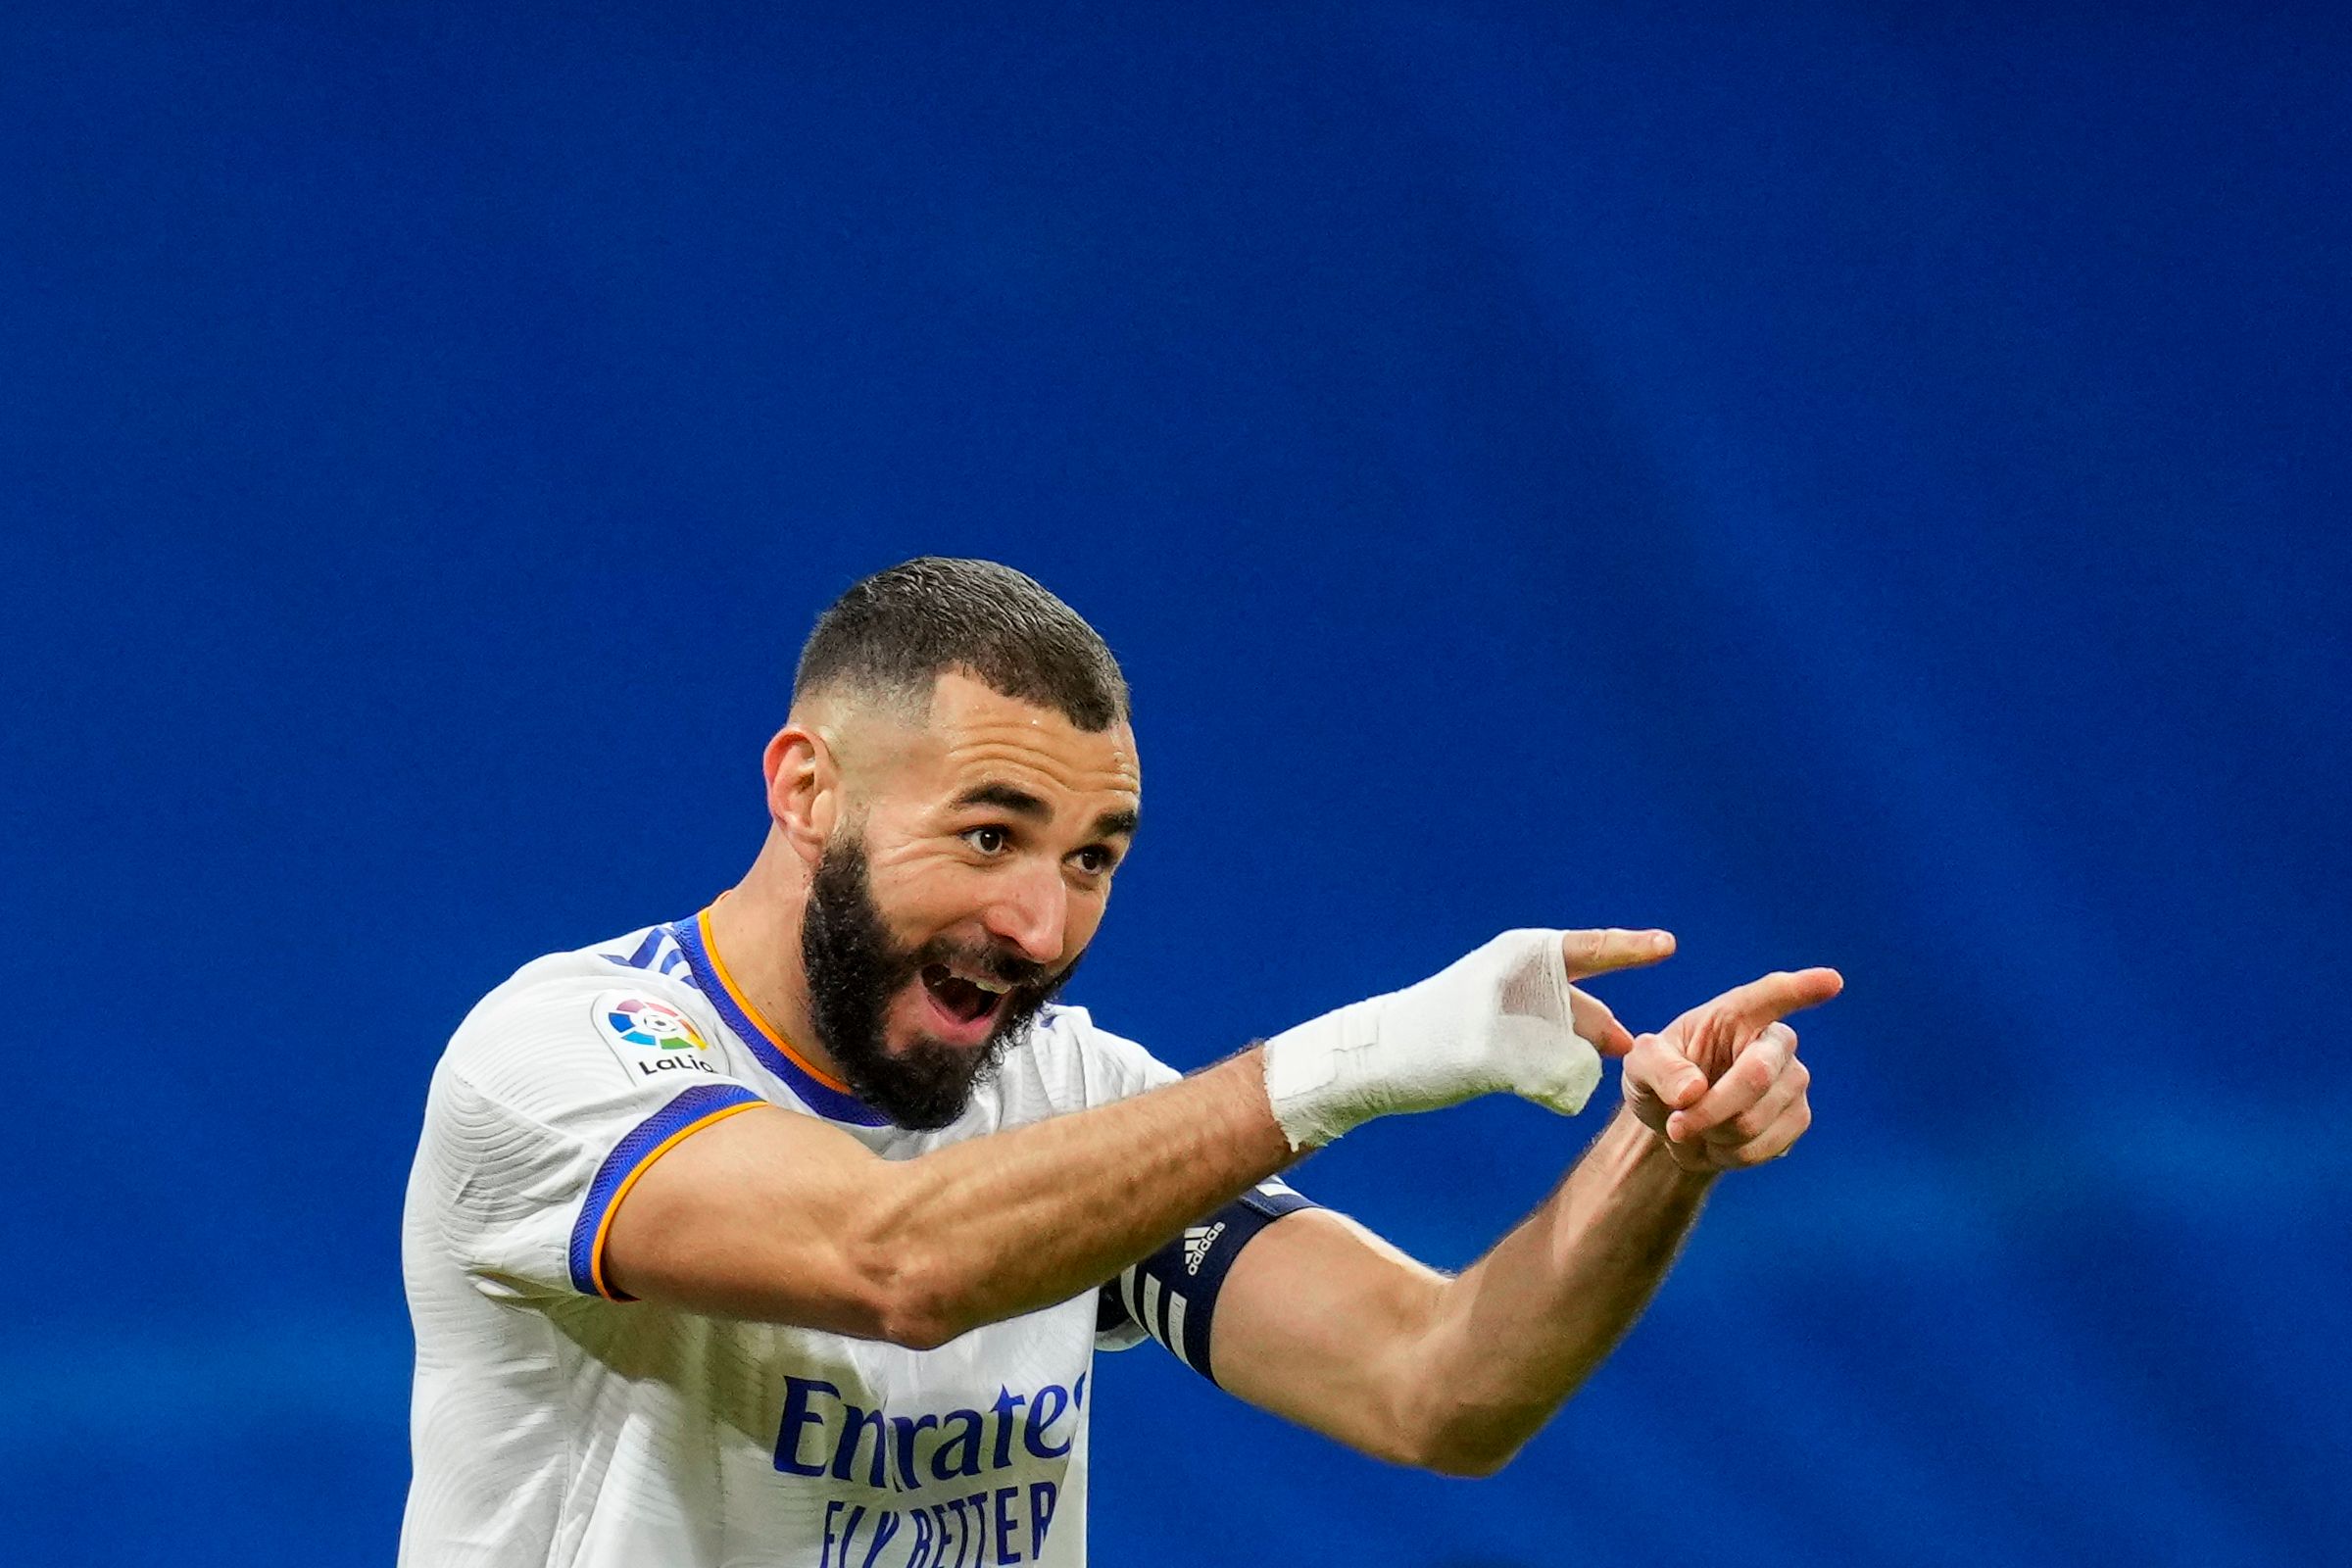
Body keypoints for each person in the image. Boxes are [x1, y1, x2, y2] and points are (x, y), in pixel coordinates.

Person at [398, 557, 1840, 1568]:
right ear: (807, 790)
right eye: (990, 836)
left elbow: (1436, 1385)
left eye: (1092, 859)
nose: (1041, 925)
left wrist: (1662, 1151)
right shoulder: (563, 1059)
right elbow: (893, 1259)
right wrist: (1361, 1057)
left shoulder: (1072, 1101)